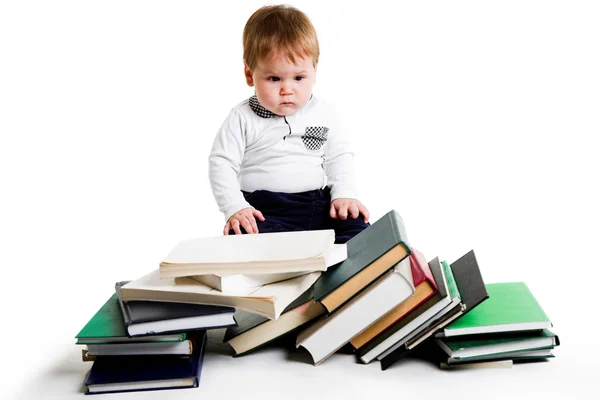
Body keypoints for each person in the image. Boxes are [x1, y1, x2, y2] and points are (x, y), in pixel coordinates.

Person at [208, 4, 369, 244]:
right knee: (242, 235)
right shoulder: (242, 118)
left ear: (314, 71)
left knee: (360, 227)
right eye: (274, 78)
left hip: (318, 204)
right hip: (267, 211)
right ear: (250, 74)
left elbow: (339, 156)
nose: (287, 90)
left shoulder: (324, 112)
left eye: (299, 78)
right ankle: (287, 264)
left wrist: (344, 194)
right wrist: (235, 207)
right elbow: (221, 163)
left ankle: (338, 271)